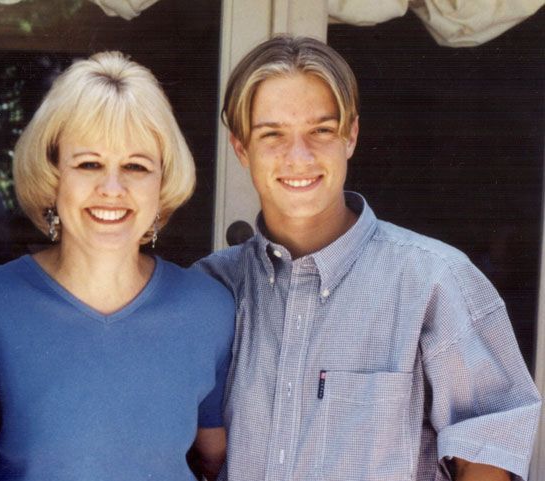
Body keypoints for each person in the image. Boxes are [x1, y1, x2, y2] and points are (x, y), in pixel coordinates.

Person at [196, 35, 541, 481]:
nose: (298, 157)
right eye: (272, 134)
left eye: (321, 130)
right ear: (241, 148)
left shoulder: (434, 281)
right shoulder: (212, 290)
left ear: (351, 135)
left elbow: (487, 452)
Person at [0, 51, 235, 481]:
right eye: (89, 164)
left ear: (162, 184)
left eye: (136, 167)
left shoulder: (209, 310)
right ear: (53, 176)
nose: (112, 188)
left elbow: (217, 462)